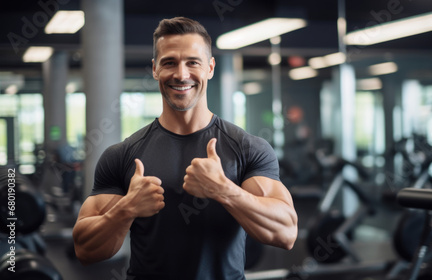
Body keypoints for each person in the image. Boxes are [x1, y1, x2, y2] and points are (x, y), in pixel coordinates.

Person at [72, 17, 298, 280]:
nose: (181, 74)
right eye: (170, 62)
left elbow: (286, 233)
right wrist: (127, 208)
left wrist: (224, 190)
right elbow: (85, 249)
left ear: (210, 68)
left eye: (193, 62)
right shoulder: (122, 155)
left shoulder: (248, 149)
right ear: (155, 69)